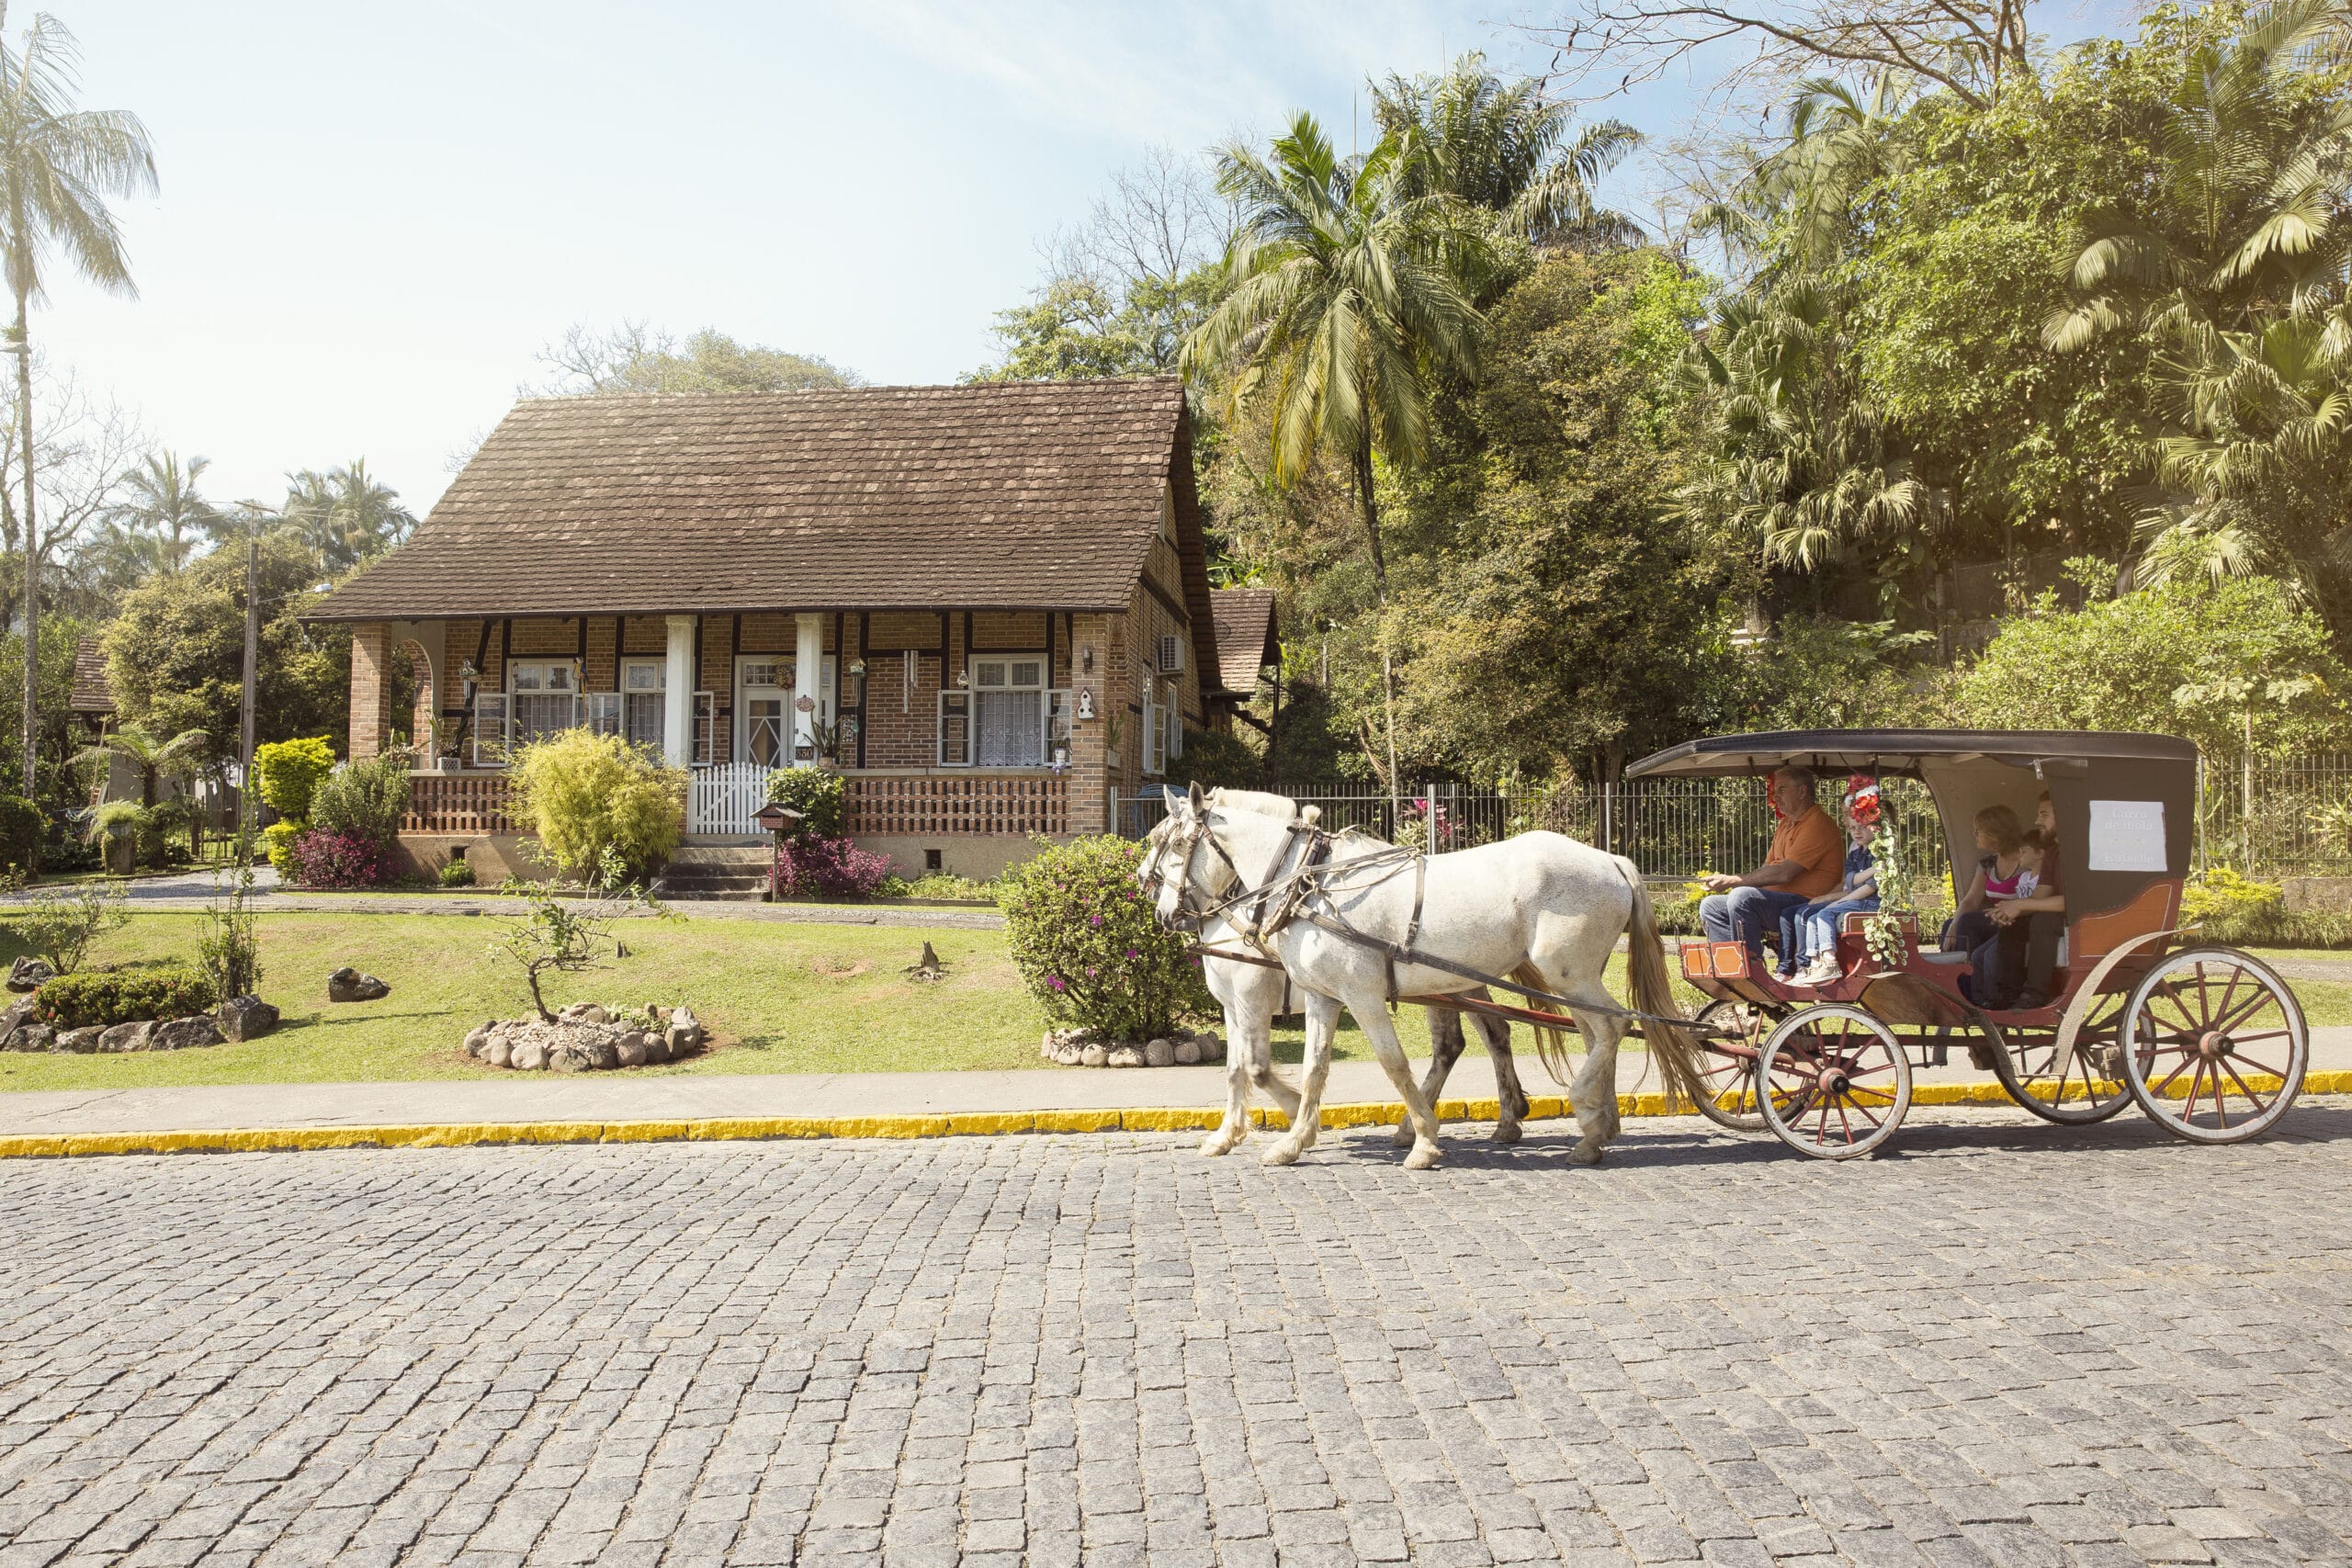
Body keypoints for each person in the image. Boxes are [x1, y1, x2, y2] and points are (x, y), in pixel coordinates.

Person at [1699, 766, 1847, 976]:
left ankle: (1752, 969)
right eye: (1775, 791)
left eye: (1782, 790)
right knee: (1711, 906)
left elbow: (1785, 872)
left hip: (1806, 903)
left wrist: (1732, 880)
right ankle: (1730, 967)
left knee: (1741, 897)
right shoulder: (1786, 824)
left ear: (1802, 791)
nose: (1775, 796)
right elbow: (1769, 868)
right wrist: (1730, 881)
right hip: (1778, 900)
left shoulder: (1818, 824)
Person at [1789, 787, 1882, 986]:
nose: (1856, 832)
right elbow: (1849, 880)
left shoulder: (1880, 852)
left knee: (1824, 914)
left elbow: (1869, 888)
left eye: (1862, 827)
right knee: (1812, 917)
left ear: (1875, 827)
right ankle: (1814, 963)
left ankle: (1830, 961)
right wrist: (1871, 871)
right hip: (1856, 898)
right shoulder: (1856, 853)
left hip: (1870, 903)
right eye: (1853, 828)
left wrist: (1839, 900)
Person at [1986, 791, 2066, 1009]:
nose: (2037, 821)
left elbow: (2069, 902)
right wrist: (2011, 909)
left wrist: (2021, 904)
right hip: (2060, 915)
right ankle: (2008, 995)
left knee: (2043, 922)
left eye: (2044, 814)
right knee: (2013, 926)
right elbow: (2042, 893)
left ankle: (2035, 995)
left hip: (2081, 919)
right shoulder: (2053, 852)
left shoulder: (2076, 850)